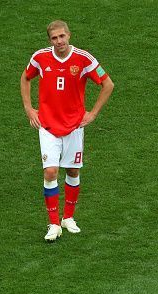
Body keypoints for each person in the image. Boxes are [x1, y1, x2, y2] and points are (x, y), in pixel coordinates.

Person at [20, 20, 114, 242]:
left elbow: (108, 84)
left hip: (74, 126)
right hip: (48, 125)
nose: (59, 41)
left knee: (72, 171)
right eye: (54, 38)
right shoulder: (40, 57)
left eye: (62, 36)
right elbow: (25, 78)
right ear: (49, 40)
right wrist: (28, 108)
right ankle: (53, 223)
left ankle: (68, 218)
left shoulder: (84, 59)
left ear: (69, 35)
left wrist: (93, 114)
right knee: (51, 172)